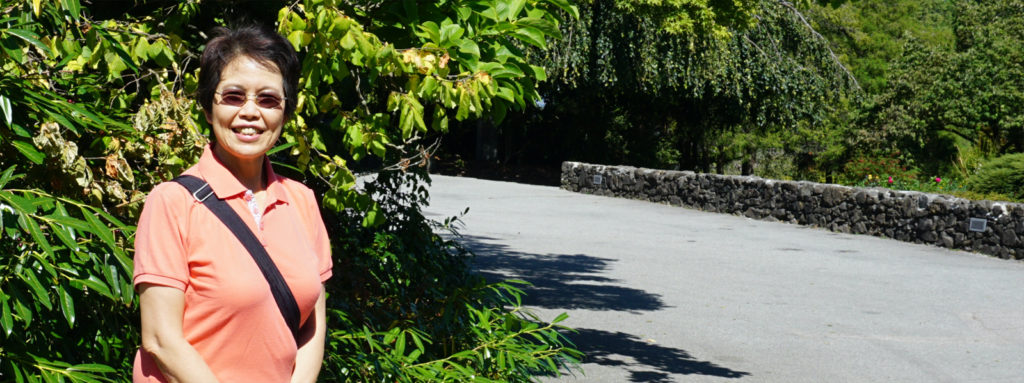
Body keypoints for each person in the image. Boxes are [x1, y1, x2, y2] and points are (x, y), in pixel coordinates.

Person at [132, 25, 332, 382]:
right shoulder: (173, 204)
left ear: (285, 115)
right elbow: (161, 340)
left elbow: (312, 321)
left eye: (268, 100)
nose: (251, 112)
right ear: (209, 109)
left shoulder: (301, 202)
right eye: (234, 97)